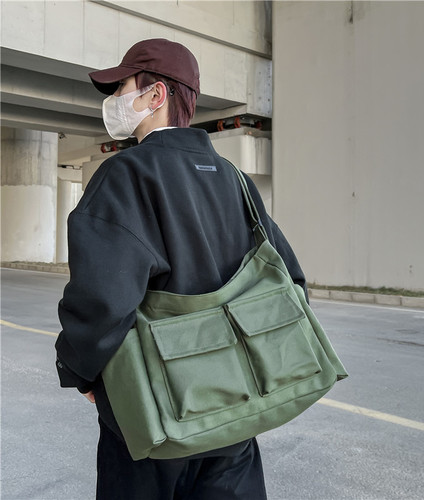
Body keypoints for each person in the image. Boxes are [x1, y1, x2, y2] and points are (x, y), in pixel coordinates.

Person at [55, 38, 308, 500]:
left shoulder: (126, 175)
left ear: (156, 95)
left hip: (155, 415)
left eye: (121, 88)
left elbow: (102, 299)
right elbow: (290, 280)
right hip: (234, 412)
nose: (114, 101)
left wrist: (80, 370)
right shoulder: (236, 180)